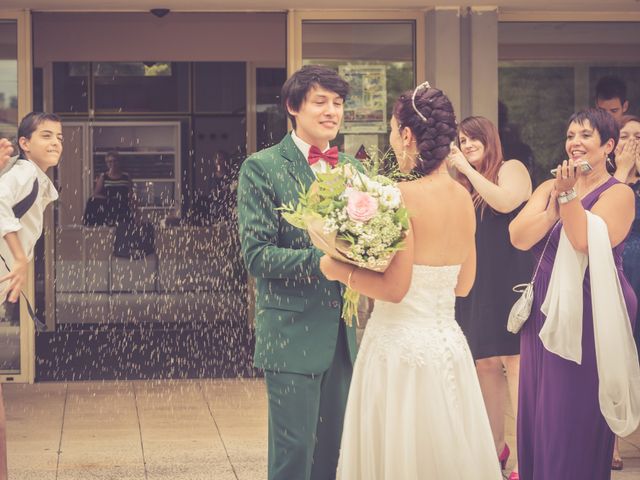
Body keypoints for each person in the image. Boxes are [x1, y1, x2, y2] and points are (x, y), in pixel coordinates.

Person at [320, 82, 501, 479]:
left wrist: (338, 269)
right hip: (448, 345)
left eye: (390, 131)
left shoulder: (399, 195)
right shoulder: (462, 197)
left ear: (407, 135)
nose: (390, 140)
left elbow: (394, 289)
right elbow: (464, 285)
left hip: (399, 351)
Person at [237, 65, 360, 480]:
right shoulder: (263, 167)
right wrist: (322, 263)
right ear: (293, 107)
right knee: (293, 453)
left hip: (342, 336)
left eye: (338, 103)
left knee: (334, 453)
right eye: (320, 102)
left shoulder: (352, 169)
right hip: (290, 333)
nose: (331, 112)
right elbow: (257, 256)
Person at [510, 108, 638, 480]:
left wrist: (567, 200)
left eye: (585, 135)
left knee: (571, 411)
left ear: (608, 145)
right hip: (544, 309)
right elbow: (518, 237)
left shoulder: (619, 194)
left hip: (592, 310)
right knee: (542, 410)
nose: (575, 143)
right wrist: (555, 205)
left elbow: (583, 241)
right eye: (570, 136)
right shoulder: (548, 187)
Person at [447, 116, 532, 480]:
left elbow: (504, 202)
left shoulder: (512, 169)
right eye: (461, 141)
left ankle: (530, 455)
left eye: (472, 139)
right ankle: (495, 450)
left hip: (511, 277)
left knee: (515, 362)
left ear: (489, 139)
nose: (466, 145)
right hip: (476, 281)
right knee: (483, 363)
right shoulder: (463, 185)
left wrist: (466, 168)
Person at [0, 112, 63, 480]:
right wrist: (21, 261)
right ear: (25, 144)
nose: (56, 142)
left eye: (59, 136)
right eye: (45, 136)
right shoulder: (25, 174)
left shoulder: (25, 176)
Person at [611, 114, 640, 471]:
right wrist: (623, 170)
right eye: (625, 135)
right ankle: (611, 442)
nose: (631, 141)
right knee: (615, 355)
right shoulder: (607, 179)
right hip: (617, 271)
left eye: (638, 136)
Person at [92, 150, 134, 225]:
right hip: (109, 210)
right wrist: (108, 199)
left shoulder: (126, 176)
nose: (113, 164)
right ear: (107, 163)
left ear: (119, 162)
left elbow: (131, 196)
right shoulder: (103, 177)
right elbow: (95, 194)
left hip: (124, 210)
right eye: (110, 162)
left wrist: (136, 212)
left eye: (115, 161)